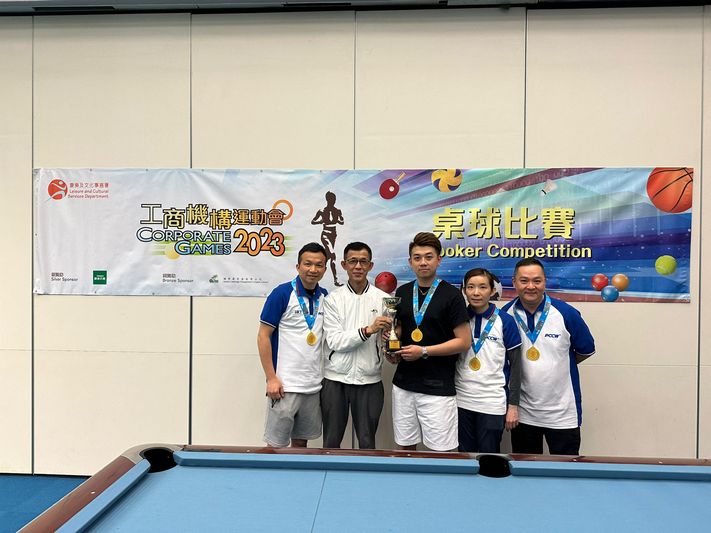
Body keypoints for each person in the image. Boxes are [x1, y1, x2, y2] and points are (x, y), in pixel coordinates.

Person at [501, 258, 596, 455]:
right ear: (514, 282)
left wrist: (557, 364)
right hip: (523, 413)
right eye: (524, 280)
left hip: (562, 413)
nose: (531, 286)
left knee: (565, 470)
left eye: (537, 281)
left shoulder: (566, 313)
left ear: (545, 281)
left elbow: (585, 350)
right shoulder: (505, 315)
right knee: (526, 470)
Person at [387, 232, 471, 452]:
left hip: (437, 387)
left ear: (439, 260)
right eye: (417, 258)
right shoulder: (403, 292)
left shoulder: (452, 295)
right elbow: (399, 330)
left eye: (428, 257)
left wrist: (424, 351)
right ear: (410, 262)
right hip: (404, 384)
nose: (423, 262)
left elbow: (464, 342)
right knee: (405, 447)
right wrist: (391, 347)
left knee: (441, 452)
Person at [257, 242, 328, 447]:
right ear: (298, 266)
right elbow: (263, 336)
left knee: (301, 446)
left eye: (319, 265)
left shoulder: (325, 296)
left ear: (325, 269)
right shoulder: (281, 293)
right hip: (284, 386)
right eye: (308, 264)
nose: (313, 269)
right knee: (275, 446)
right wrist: (271, 378)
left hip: (312, 386)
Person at [321, 242, 392, 449]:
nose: (358, 266)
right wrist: (368, 330)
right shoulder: (333, 299)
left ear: (371, 265)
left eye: (363, 261)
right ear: (344, 265)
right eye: (353, 261)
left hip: (369, 379)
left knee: (367, 443)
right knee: (331, 442)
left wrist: (390, 342)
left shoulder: (384, 299)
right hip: (335, 379)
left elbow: (388, 339)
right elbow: (335, 341)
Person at [455, 268, 522, 453]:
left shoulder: (506, 321)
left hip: (492, 402)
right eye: (471, 287)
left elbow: (516, 367)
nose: (476, 292)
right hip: (461, 400)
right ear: (464, 290)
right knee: (464, 457)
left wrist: (513, 406)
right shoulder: (458, 319)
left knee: (489, 457)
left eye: (483, 287)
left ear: (492, 291)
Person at [311, 191, 344, 287]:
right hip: (325, 234)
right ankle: (336, 280)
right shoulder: (321, 211)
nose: (332, 201)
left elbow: (342, 222)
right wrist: (321, 221)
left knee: (327, 257)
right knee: (333, 255)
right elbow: (313, 221)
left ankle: (314, 275)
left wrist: (339, 218)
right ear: (327, 200)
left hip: (333, 235)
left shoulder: (337, 211)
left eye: (334, 200)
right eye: (331, 199)